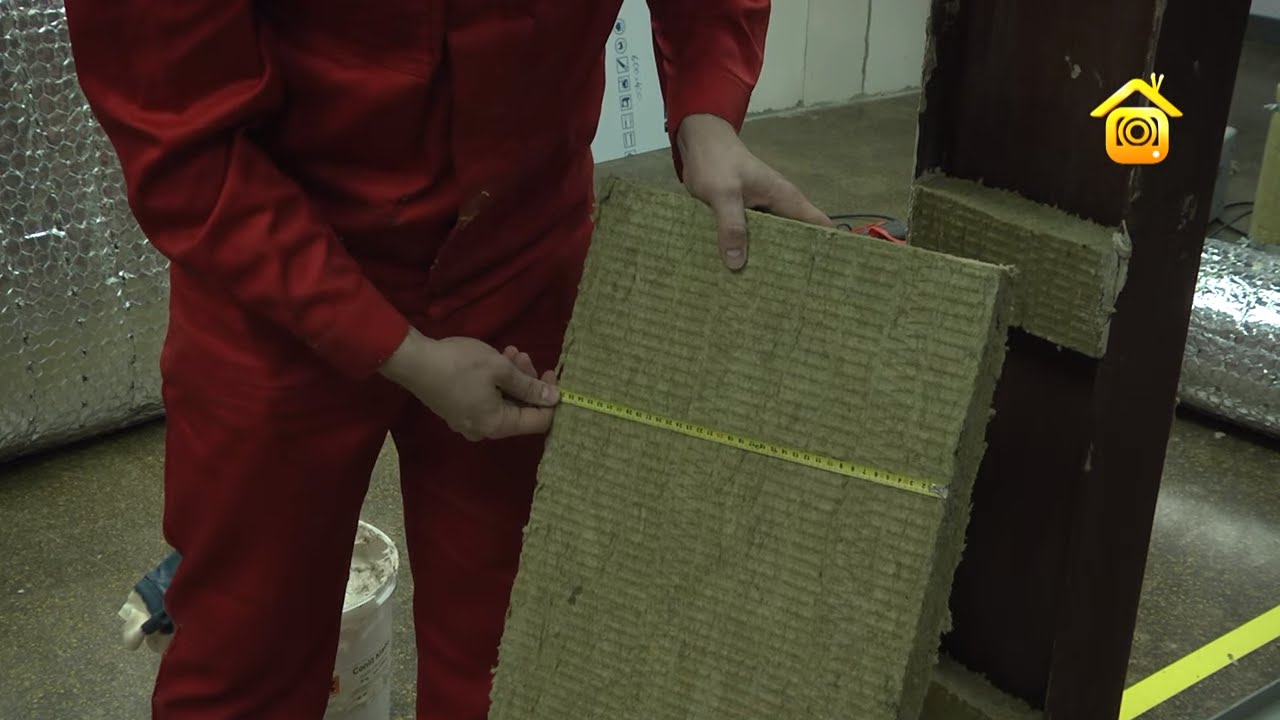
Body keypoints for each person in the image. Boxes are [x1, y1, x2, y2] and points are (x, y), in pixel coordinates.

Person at [63, 2, 831, 718]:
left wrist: (705, 112)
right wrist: (396, 349)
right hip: (272, 277)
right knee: (246, 651)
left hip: (522, 251)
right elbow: (180, 136)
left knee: (516, 647)